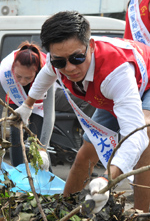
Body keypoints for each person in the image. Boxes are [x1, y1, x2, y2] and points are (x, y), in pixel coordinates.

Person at [12, 11, 150, 213]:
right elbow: (45, 76)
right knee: (86, 152)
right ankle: (65, 211)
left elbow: (135, 135)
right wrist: (28, 105)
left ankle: (141, 214)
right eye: (60, 62)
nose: (69, 68)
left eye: (77, 57)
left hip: (144, 84)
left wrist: (106, 180)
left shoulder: (116, 72)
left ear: (91, 47)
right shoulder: (58, 60)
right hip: (111, 97)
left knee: (144, 137)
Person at [0, 41, 55, 171]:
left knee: (36, 140)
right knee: (15, 133)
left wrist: (43, 148)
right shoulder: (4, 71)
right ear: (13, 68)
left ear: (36, 72)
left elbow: (49, 113)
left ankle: (45, 178)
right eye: (19, 76)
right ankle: (19, 175)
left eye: (28, 78)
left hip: (38, 103)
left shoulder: (47, 70)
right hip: (15, 99)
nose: (23, 81)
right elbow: (1, 104)